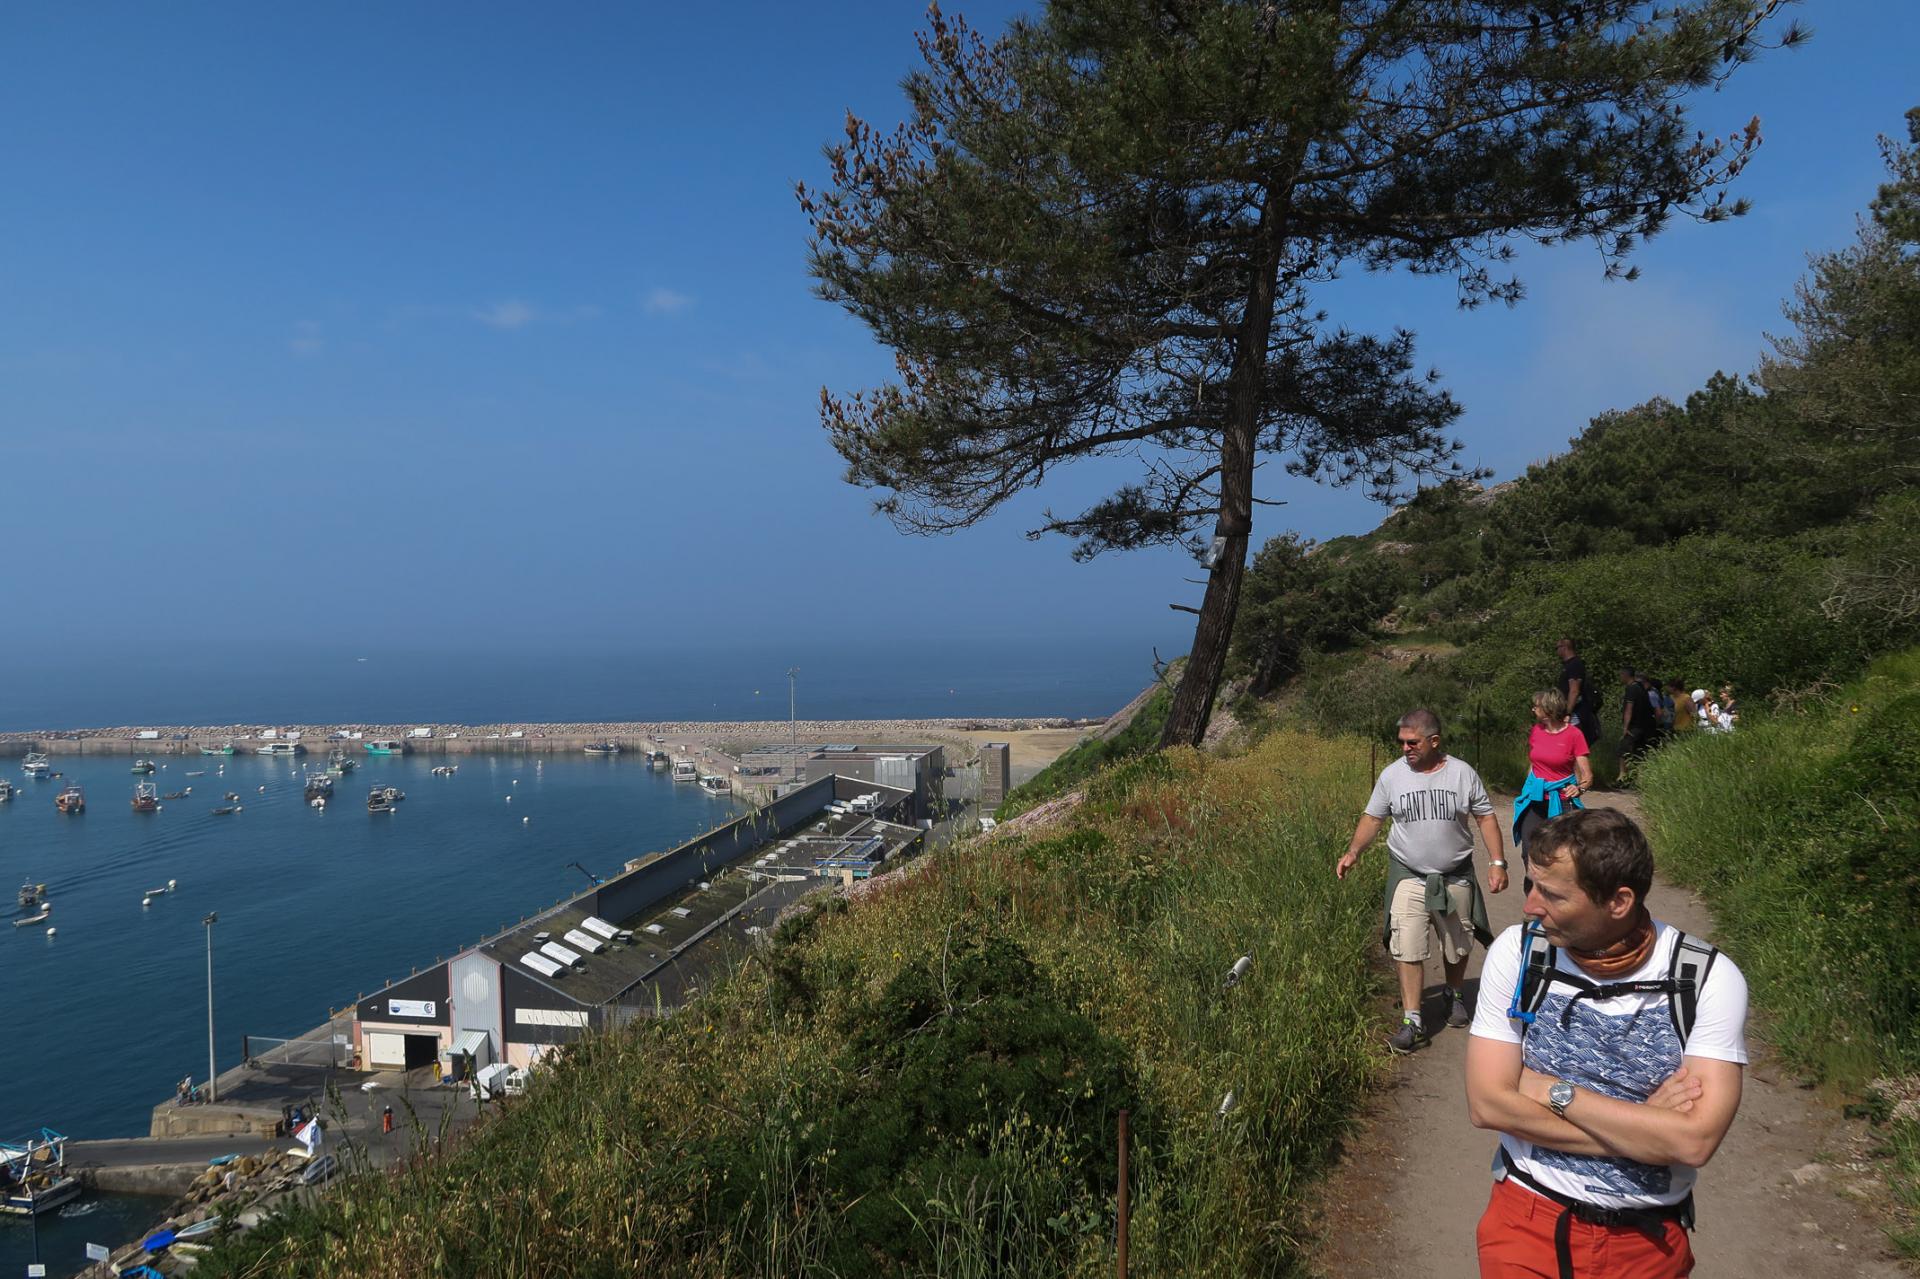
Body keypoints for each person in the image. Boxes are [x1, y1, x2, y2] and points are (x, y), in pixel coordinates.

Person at [1467, 808, 1748, 1279]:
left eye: (1552, 895)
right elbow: (1488, 1106)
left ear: (1619, 902)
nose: (1530, 907)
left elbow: (1695, 1142)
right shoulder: (1519, 953)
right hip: (1526, 1221)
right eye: (1530, 886)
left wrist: (1552, 1091)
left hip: (1647, 1243)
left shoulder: (1703, 978)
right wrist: (1649, 1130)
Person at [1338, 709, 1509, 1053]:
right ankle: (1412, 1020)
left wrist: (1497, 862)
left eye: (1412, 742)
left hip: (1455, 872)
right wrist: (1354, 851)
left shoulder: (1462, 774)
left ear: (1434, 741)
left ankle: (1454, 993)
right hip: (1408, 874)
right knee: (1407, 943)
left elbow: (1485, 817)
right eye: (1401, 742)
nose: (1405, 748)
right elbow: (1373, 818)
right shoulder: (1391, 776)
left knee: (1458, 941)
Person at [1512, 690, 1592, 863]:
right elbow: (1534, 763)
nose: (1533, 709)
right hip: (1535, 798)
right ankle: (1533, 887)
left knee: (1559, 855)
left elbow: (1587, 775)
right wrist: (1528, 786)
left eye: (1536, 706)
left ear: (1548, 708)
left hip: (1561, 800)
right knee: (1529, 851)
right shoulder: (1536, 731)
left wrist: (1580, 788)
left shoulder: (1574, 735)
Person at [1556, 639, 1600, 747]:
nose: (1556, 651)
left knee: (1574, 746)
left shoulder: (1575, 664)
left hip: (1575, 713)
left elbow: (1574, 691)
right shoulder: (1568, 665)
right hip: (1569, 711)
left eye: (1557, 648)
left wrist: (1568, 713)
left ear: (1564, 647)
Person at [1617, 669, 1656, 781]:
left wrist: (1625, 727)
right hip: (1645, 726)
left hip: (1635, 726)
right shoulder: (1641, 687)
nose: (1620, 678)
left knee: (1622, 749)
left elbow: (1629, 708)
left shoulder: (1631, 688)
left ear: (1625, 675)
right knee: (1639, 752)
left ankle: (1622, 777)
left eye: (1621, 675)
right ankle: (1640, 778)